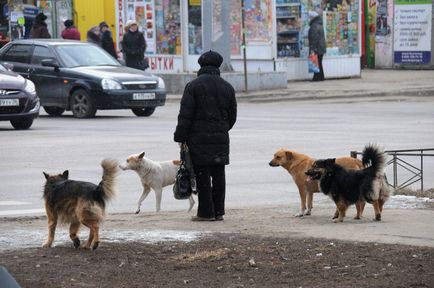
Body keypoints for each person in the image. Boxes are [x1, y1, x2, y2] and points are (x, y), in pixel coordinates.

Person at [174, 50, 237, 222]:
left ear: (200, 65)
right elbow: (232, 117)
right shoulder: (227, 87)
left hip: (198, 140)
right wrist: (222, 129)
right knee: (219, 175)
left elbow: (185, 115)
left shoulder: (193, 86)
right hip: (220, 139)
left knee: (202, 175)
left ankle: (206, 212)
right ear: (218, 66)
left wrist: (181, 137)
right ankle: (219, 212)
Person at [308, 11, 326, 81]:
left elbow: (314, 38)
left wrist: (312, 48)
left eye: (310, 17)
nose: (309, 18)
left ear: (312, 17)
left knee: (316, 63)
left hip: (317, 48)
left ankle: (317, 77)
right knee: (319, 63)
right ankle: (321, 77)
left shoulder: (314, 26)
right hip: (321, 47)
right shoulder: (319, 24)